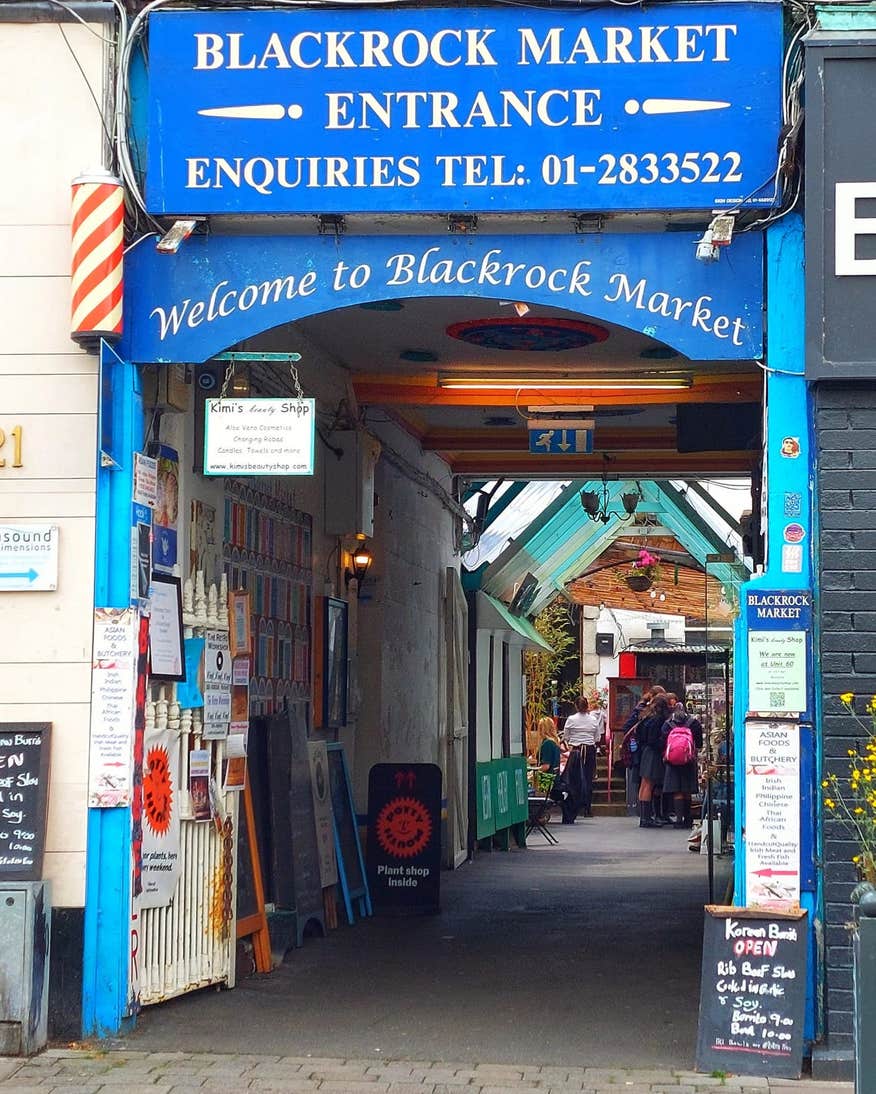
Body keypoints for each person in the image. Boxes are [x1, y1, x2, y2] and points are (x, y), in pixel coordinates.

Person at [661, 702, 704, 828]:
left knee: (677, 790)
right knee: (687, 790)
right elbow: (699, 743)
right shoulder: (694, 723)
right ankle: (688, 819)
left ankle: (678, 820)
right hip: (689, 761)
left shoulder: (667, 724)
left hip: (672, 762)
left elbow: (662, 741)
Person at [561, 696, 603, 820]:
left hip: (575, 750)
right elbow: (597, 738)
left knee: (574, 779)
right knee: (588, 778)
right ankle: (587, 808)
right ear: (587, 705)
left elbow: (566, 736)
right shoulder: (593, 719)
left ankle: (575, 806)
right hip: (589, 750)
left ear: (576, 706)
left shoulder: (571, 719)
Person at [636, 693, 672, 828]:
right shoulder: (657, 720)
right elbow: (653, 739)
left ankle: (644, 816)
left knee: (644, 784)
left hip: (645, 751)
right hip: (653, 753)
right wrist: (662, 743)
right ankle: (646, 818)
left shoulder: (646, 717)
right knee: (649, 784)